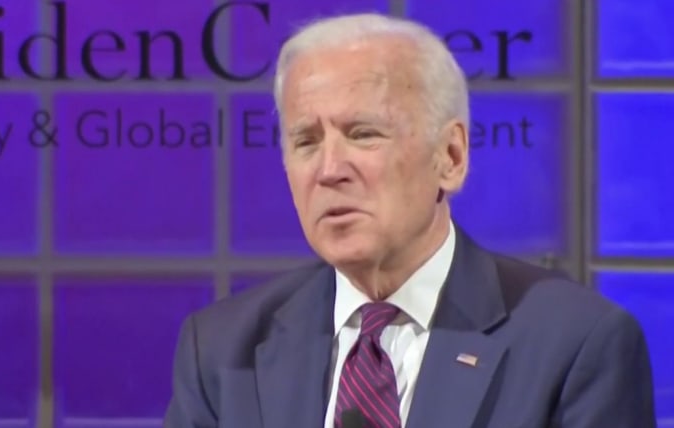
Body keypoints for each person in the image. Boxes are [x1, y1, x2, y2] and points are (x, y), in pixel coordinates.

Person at [164, 13, 656, 428]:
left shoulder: (576, 345)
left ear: (451, 156)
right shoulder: (222, 351)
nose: (329, 170)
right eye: (306, 141)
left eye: (363, 134)